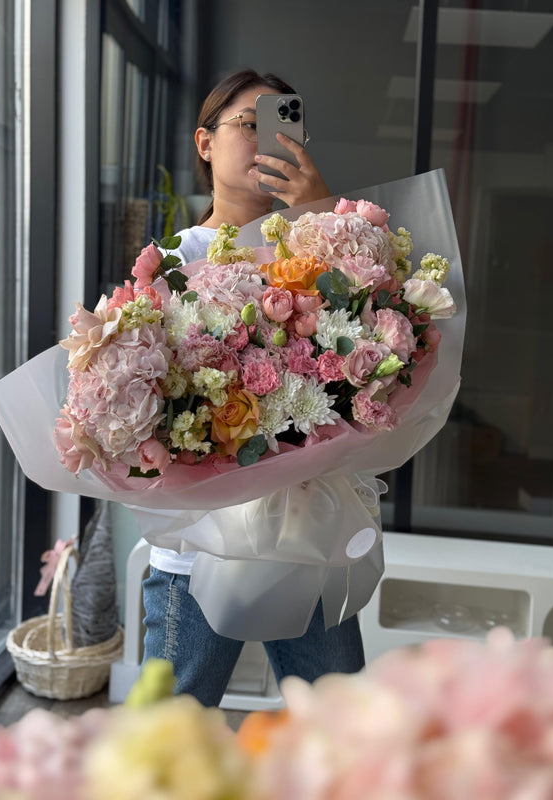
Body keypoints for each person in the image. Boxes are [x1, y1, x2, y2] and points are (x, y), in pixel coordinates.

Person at [141, 68, 365, 707]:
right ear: (204, 143)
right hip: (200, 543)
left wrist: (322, 217)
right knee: (171, 738)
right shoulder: (172, 264)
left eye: (281, 124)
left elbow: (374, 348)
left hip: (305, 531)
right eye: (248, 124)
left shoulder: (316, 246)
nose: (265, 140)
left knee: (339, 729)